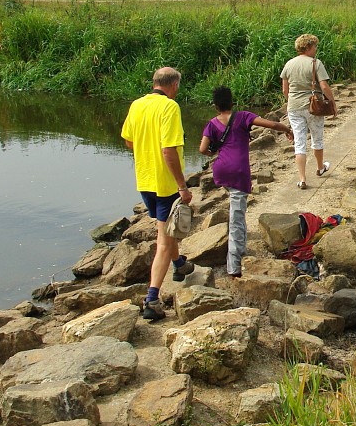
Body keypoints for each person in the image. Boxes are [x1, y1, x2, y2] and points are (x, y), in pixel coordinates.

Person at [121, 66, 194, 321]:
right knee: (163, 240)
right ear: (174, 85)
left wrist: (145, 151)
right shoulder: (170, 107)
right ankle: (152, 299)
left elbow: (129, 141)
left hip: (144, 180)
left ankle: (180, 265)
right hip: (165, 185)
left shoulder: (137, 105)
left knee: (166, 228)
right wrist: (182, 185)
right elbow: (168, 150)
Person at [199, 86, 292, 277]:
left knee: (237, 211)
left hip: (221, 169)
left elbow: (202, 149)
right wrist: (286, 129)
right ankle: (234, 266)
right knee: (237, 218)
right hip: (238, 171)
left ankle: (240, 250)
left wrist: (212, 153)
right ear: (232, 102)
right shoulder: (242, 117)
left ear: (215, 106)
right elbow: (272, 125)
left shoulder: (212, 124)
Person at [280, 33, 335, 190]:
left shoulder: (289, 64)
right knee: (317, 139)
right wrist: (332, 102)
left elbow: (285, 90)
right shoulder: (315, 63)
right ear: (309, 47)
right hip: (313, 107)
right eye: (315, 46)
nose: (316, 49)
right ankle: (320, 168)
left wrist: (292, 101)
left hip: (294, 107)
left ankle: (302, 179)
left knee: (299, 142)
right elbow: (324, 86)